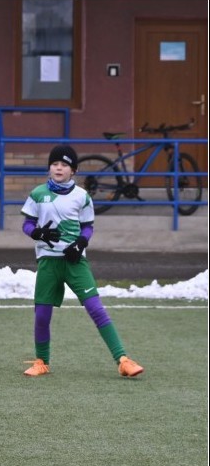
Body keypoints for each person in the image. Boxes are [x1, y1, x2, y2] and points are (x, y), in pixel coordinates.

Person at [21, 145, 144, 378]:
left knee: (96, 309)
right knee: (42, 315)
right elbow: (27, 225)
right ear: (49, 167)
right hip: (48, 262)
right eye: (55, 163)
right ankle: (41, 362)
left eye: (64, 164)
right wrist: (38, 233)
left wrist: (81, 243)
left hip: (75, 263)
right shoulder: (37, 194)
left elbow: (88, 227)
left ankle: (123, 360)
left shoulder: (82, 196)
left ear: (73, 170)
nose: (59, 168)